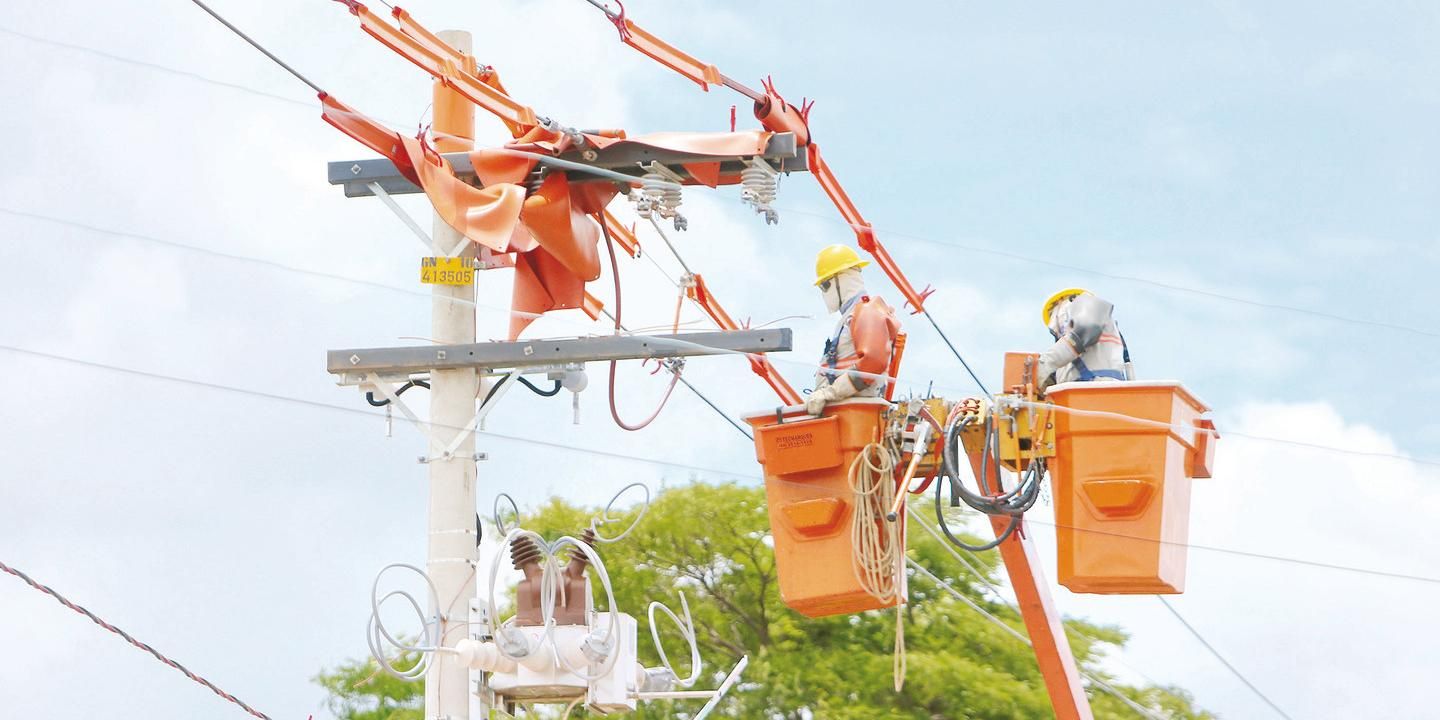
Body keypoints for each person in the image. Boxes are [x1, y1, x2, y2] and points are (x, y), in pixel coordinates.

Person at [805, 245, 901, 415]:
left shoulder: (865, 311)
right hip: (845, 414)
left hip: (856, 416)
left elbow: (874, 362)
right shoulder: (851, 317)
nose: (824, 293)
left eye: (825, 286)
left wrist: (829, 393)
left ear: (840, 280)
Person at [1037, 287, 1133, 389]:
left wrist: (1041, 366)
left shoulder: (1090, 309)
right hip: (1079, 396)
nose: (1057, 331)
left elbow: (1085, 330)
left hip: (1098, 389)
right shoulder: (1067, 356)